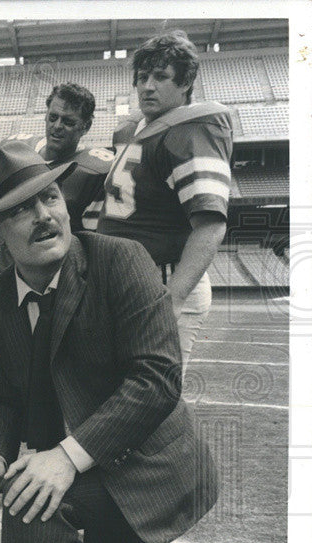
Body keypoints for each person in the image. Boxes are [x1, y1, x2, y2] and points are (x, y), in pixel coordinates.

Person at [0, 141, 281, 543]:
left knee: (35, 495)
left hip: (144, 464)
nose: (43, 216)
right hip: (89, 471)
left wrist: (65, 456)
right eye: (19, 209)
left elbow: (158, 379)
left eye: (49, 197)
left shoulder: (120, 260)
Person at [97, 30, 232, 366]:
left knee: (156, 403)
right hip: (127, 283)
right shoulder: (139, 129)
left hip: (162, 283)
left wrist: (175, 297)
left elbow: (210, 224)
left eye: (160, 77)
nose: (147, 86)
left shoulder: (192, 129)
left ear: (186, 83)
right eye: (142, 77)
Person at [0, 82, 113, 308]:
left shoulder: (93, 170)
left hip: (64, 287)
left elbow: (94, 243)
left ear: (86, 126)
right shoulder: (16, 152)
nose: (57, 126)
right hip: (10, 281)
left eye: (69, 121)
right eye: (53, 117)